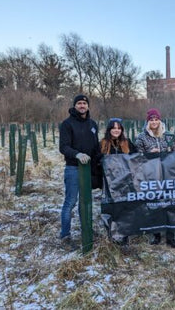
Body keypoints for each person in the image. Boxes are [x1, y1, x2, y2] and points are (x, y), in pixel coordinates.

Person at [59, 94, 100, 249]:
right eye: (79, 103)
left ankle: (86, 230)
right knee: (71, 202)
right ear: (75, 106)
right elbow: (63, 147)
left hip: (89, 168)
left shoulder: (93, 124)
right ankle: (65, 236)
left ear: (88, 106)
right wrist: (77, 154)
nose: (82, 106)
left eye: (84, 103)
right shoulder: (67, 124)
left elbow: (96, 147)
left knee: (86, 201)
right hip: (73, 168)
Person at [135, 108, 175, 247]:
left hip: (167, 175)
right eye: (151, 120)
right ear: (148, 121)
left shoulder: (168, 135)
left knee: (170, 203)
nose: (154, 122)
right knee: (154, 204)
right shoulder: (141, 137)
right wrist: (149, 153)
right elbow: (137, 156)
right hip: (151, 175)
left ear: (160, 120)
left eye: (156, 119)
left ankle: (171, 236)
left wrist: (165, 151)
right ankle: (156, 235)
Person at [100, 117, 137, 246]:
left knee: (125, 206)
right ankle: (111, 233)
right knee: (110, 207)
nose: (116, 130)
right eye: (113, 128)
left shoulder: (127, 143)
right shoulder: (103, 143)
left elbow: (135, 158)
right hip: (109, 183)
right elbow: (97, 160)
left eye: (118, 128)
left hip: (125, 182)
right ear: (109, 129)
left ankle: (124, 234)